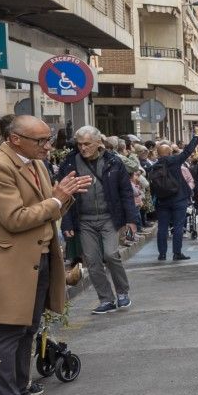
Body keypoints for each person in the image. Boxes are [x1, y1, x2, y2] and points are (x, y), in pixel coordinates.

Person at [0, 115, 89, 395]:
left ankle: (21, 394)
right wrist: (55, 199)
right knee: (6, 334)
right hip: (8, 265)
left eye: (48, 139)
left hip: (39, 258)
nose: (47, 146)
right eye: (40, 141)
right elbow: (14, 218)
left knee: (27, 330)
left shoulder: (33, 162)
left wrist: (65, 196)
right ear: (14, 138)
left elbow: (47, 211)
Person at [59, 126, 139, 315]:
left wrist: (132, 220)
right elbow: (64, 194)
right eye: (79, 144)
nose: (83, 148)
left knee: (111, 254)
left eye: (87, 144)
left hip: (109, 217)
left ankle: (122, 292)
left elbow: (126, 192)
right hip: (84, 220)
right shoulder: (70, 163)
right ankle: (106, 299)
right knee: (93, 261)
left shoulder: (113, 161)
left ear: (98, 143)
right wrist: (67, 222)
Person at [148, 132, 198, 261]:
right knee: (178, 226)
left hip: (162, 201)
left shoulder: (154, 166)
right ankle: (177, 253)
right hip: (179, 198)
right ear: (170, 152)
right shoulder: (174, 160)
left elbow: (152, 186)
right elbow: (188, 151)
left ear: (158, 154)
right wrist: (196, 136)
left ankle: (162, 254)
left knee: (162, 228)